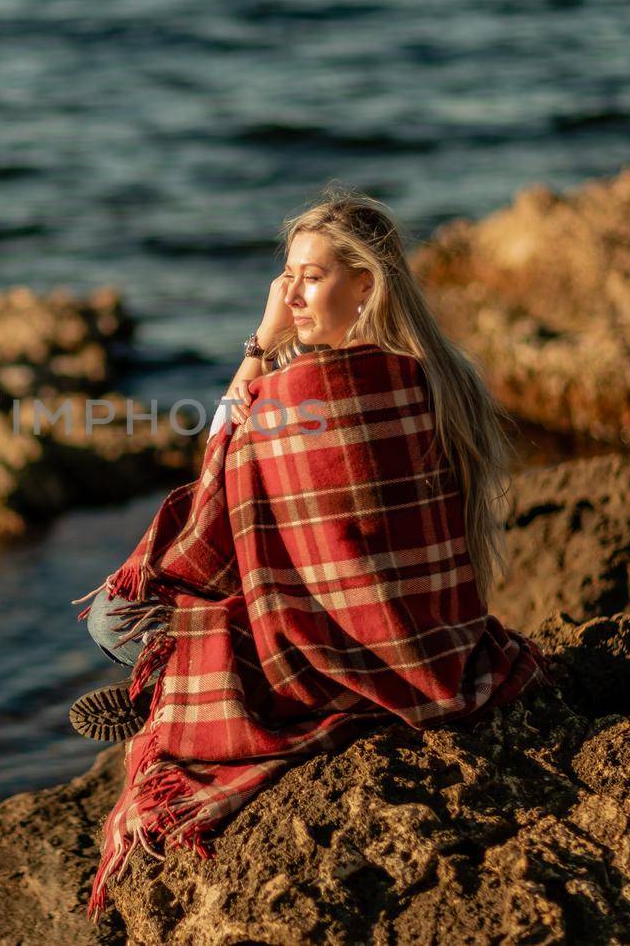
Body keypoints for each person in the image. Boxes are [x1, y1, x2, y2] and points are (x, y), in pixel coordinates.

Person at [67, 184, 559, 917]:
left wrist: (259, 345)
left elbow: (214, 484)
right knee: (215, 591)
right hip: (432, 637)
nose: (293, 294)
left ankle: (159, 696)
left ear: (367, 284)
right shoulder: (437, 375)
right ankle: (160, 693)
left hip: (324, 653)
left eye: (313, 277)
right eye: (286, 278)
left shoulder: (300, 390)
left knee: (114, 617)